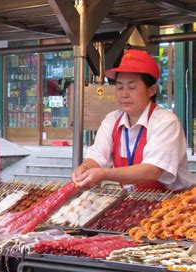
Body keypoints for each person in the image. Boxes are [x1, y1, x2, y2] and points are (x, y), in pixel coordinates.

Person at [72, 49, 194, 191]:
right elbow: (98, 156)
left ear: (152, 90)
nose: (124, 94)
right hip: (133, 199)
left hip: (173, 201)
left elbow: (152, 171)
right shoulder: (112, 120)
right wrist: (85, 167)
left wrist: (105, 174)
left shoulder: (166, 122)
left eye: (132, 87)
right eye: (119, 87)